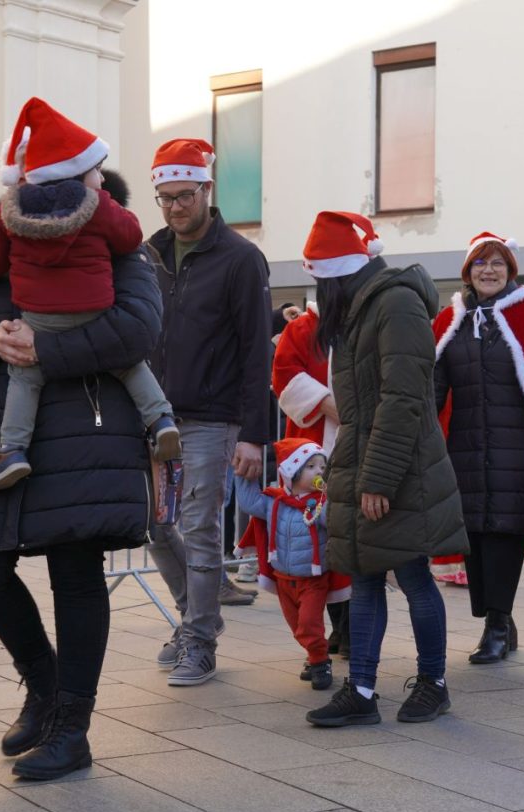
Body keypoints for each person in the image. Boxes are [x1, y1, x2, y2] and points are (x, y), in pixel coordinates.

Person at [0, 189, 161, 781]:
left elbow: (138, 330)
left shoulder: (118, 243)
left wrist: (47, 347)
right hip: (2, 428)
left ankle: (72, 727)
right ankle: (43, 685)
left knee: (75, 570)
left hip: (86, 426)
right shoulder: (0, 238)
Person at [298, 212, 467, 728]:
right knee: (367, 576)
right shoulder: (362, 306)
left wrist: (378, 479)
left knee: (413, 575)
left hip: (400, 465)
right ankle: (363, 690)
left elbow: (403, 397)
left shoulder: (394, 302)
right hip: (367, 456)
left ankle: (433, 684)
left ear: (338, 275)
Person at [0, 98, 175, 491]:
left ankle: (11, 451)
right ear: (78, 172)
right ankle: (161, 419)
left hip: (40, 317)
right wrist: (109, 211)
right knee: (129, 363)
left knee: (25, 374)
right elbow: (131, 236)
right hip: (95, 309)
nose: (101, 178)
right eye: (96, 171)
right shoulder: (98, 204)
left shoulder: (9, 212)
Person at [144, 138, 272, 687]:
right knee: (151, 524)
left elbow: (255, 349)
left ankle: (200, 639)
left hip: (210, 417)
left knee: (198, 526)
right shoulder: (146, 255)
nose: (175, 208)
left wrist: (253, 435)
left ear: (207, 190)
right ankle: (193, 617)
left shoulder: (241, 258)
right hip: (151, 415)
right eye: (166, 197)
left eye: (185, 196)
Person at [432, 232, 524, 664]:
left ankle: (497, 622)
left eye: (497, 263)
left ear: (510, 270)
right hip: (465, 448)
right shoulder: (448, 321)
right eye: (480, 264)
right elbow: (432, 388)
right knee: (472, 533)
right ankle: (496, 618)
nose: (488, 271)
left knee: (504, 534)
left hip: (518, 449)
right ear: (468, 272)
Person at [271, 298, 352, 656]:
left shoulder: (372, 320)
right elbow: (284, 373)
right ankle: (332, 627)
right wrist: (326, 402)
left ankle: (352, 627)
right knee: (316, 540)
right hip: (311, 452)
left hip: (357, 444)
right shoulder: (303, 328)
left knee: (350, 534)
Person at [235, 439, 340, 691]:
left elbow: (337, 523)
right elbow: (249, 504)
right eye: (311, 466)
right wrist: (243, 475)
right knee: (297, 626)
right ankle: (314, 655)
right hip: (284, 578)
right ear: (292, 473)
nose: (319, 472)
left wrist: (334, 498)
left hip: (313, 578)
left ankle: (319, 661)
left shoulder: (322, 504)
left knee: (308, 623)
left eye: (322, 467)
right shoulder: (276, 502)